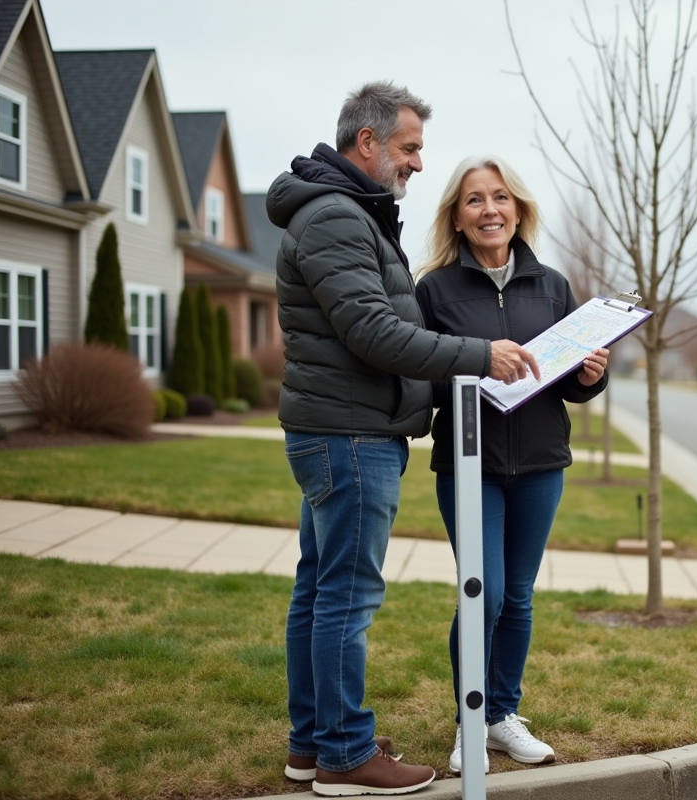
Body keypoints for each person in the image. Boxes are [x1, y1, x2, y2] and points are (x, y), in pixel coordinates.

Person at [266, 84, 540, 797]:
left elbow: (371, 325)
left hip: (344, 430)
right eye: (410, 147)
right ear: (369, 143)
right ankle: (346, 755)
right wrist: (482, 356)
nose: (418, 163)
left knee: (319, 591)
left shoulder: (345, 214)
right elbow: (372, 332)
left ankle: (313, 743)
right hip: (349, 435)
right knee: (346, 598)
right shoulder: (334, 218)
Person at [414, 156, 609, 775]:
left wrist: (589, 377)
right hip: (468, 463)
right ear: (457, 217)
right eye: (475, 200)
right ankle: (469, 723)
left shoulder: (551, 285)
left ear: (519, 209)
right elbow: (423, 375)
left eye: (500, 198)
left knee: (518, 596)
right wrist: (475, 362)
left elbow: (567, 384)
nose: (489, 210)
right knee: (483, 594)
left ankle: (502, 716)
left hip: (541, 462)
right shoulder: (434, 289)